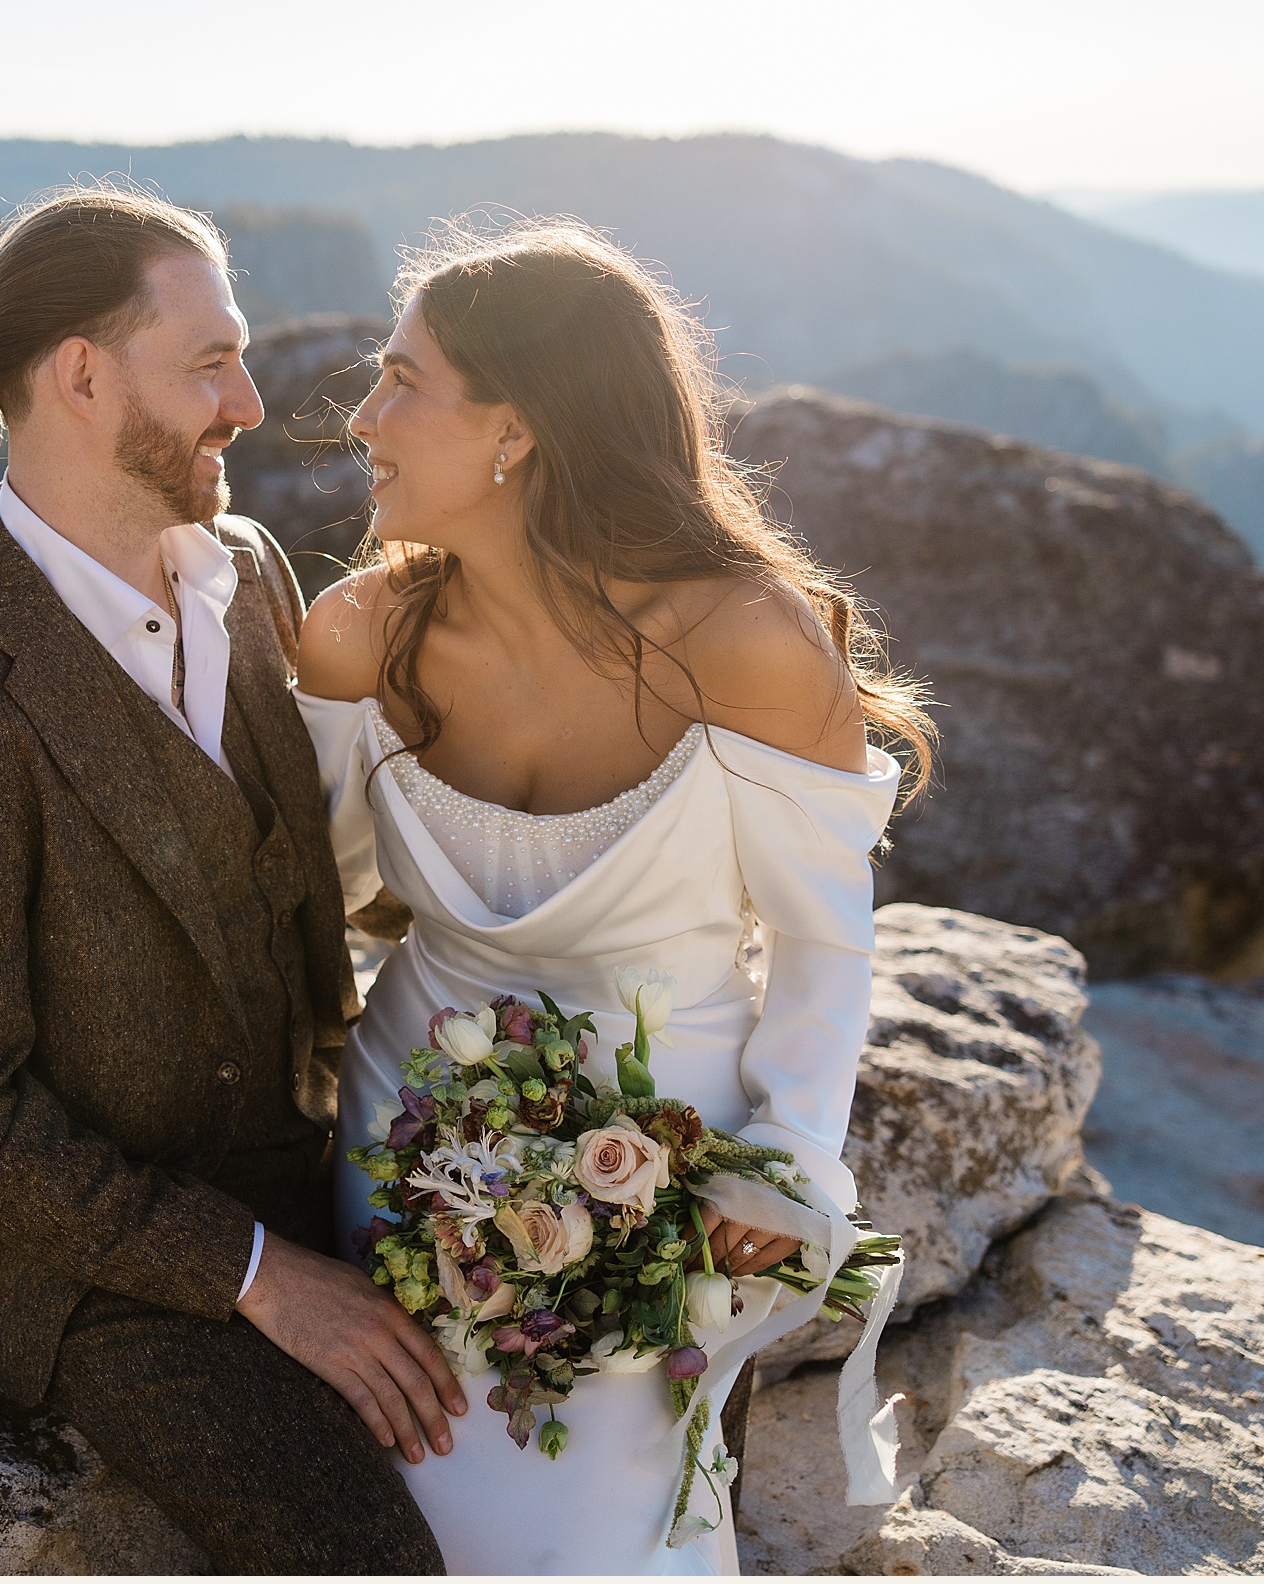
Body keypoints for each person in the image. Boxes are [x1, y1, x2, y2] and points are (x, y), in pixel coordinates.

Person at [0, 184, 460, 1572]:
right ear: (84, 376)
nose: (251, 399)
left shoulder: (252, 570)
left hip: (315, 1171)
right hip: (92, 1264)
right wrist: (261, 1277)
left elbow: (316, 883)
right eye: (211, 359)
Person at [295, 218, 936, 1574]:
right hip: (397, 1156)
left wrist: (788, 1154)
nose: (362, 416)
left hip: (668, 1186)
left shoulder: (745, 645)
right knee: (381, 1524)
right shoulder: (360, 634)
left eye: (402, 380)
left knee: (596, 1543)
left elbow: (827, 942)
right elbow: (296, 901)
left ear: (515, 430)